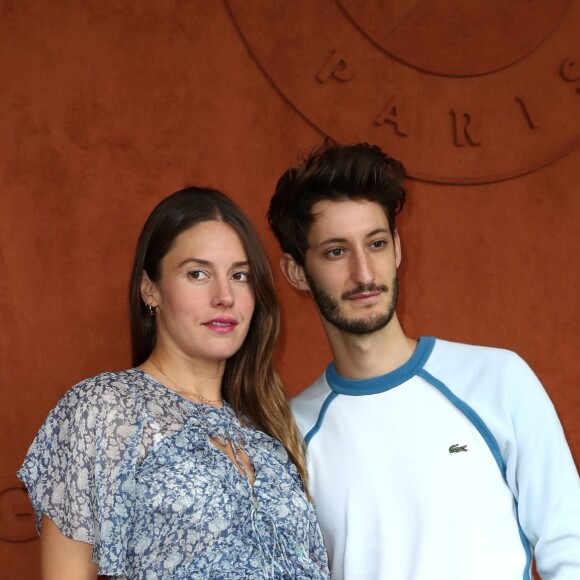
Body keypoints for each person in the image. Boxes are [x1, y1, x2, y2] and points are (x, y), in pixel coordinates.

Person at [267, 142, 580, 580]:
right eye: (336, 251)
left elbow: (570, 545)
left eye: (375, 244)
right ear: (297, 271)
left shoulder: (498, 381)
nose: (364, 273)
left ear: (396, 249)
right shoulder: (291, 435)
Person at [18, 187, 329, 579]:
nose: (224, 296)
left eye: (239, 275)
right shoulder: (104, 410)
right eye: (197, 273)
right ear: (151, 289)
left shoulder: (265, 434)